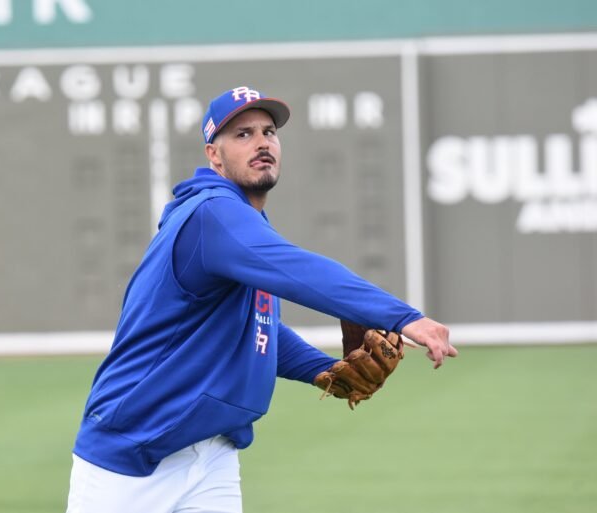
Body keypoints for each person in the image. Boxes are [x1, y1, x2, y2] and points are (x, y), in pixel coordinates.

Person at [65, 86, 458, 513]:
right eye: (242, 134)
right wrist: (404, 317)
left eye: (269, 132)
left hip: (212, 455)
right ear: (213, 155)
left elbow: (259, 326)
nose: (261, 143)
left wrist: (322, 371)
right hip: (132, 454)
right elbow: (301, 271)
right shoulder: (211, 214)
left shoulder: (245, 222)